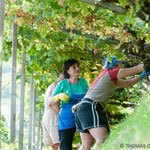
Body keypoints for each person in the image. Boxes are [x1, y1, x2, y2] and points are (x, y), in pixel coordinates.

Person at [74, 56, 150, 150]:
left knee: (86, 145)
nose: (123, 65)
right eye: (121, 63)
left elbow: (127, 83)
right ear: (115, 64)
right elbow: (135, 69)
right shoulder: (111, 72)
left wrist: (141, 76)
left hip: (82, 108)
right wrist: (146, 65)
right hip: (90, 106)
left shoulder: (108, 77)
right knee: (102, 139)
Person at [49, 59, 89, 150]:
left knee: (88, 143)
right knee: (65, 147)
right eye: (74, 67)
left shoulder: (83, 82)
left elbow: (89, 96)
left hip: (83, 116)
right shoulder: (62, 84)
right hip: (66, 119)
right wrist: (58, 96)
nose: (77, 69)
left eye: (78, 66)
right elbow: (50, 102)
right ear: (67, 71)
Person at [42, 74, 64, 150]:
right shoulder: (57, 85)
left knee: (55, 146)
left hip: (46, 116)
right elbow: (53, 103)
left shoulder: (51, 86)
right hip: (53, 115)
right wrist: (62, 114)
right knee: (60, 144)